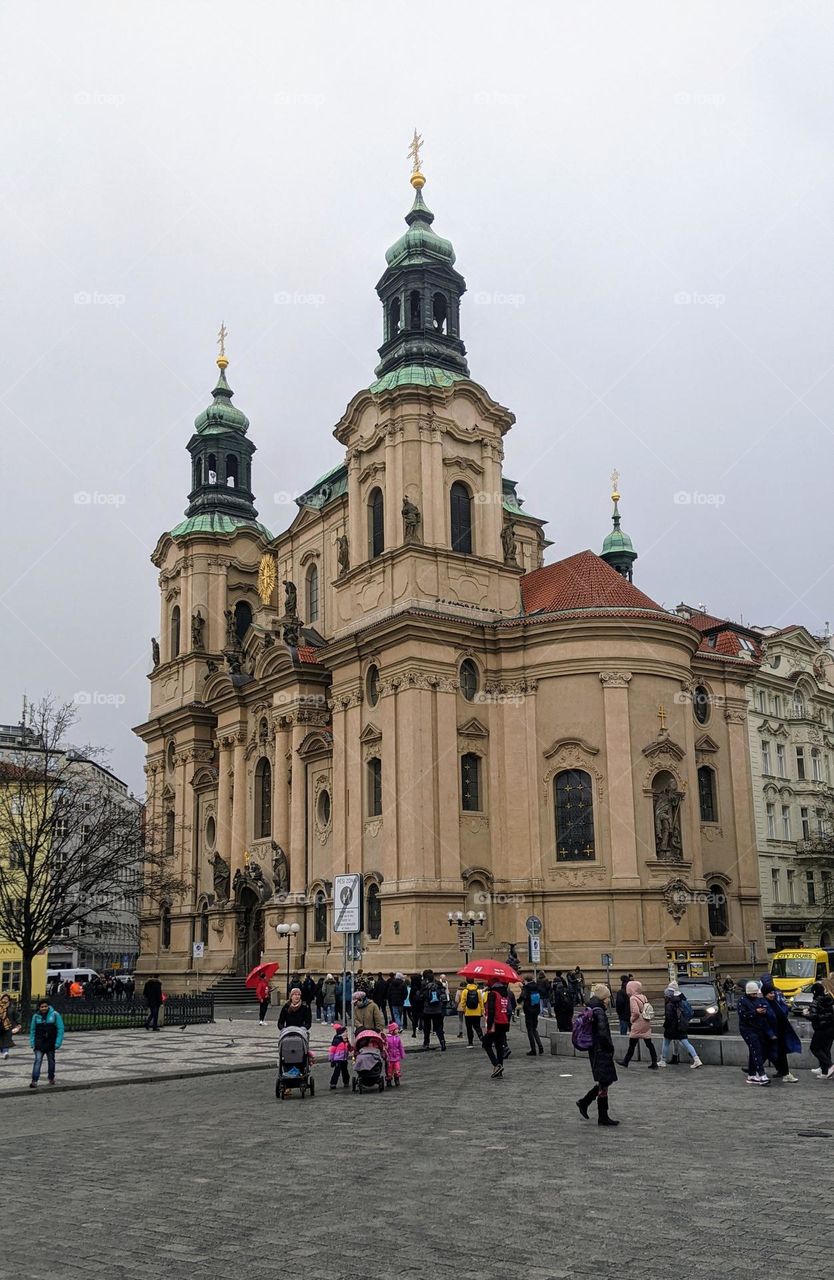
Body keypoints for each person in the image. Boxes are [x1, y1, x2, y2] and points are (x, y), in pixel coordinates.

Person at [576, 983, 620, 1126]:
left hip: (596, 1050)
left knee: (605, 1081)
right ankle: (599, 1113)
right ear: (603, 998)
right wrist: (610, 1048)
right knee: (605, 1080)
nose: (609, 1000)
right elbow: (603, 1034)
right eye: (607, 997)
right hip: (601, 1050)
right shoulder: (599, 1012)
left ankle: (587, 1103)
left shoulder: (593, 1008)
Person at [760, 975, 801, 1083]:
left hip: (780, 1032)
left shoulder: (775, 1001)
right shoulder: (764, 1004)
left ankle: (784, 1072)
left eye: (772, 993)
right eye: (770, 993)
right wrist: (770, 1033)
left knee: (778, 1053)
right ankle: (783, 1072)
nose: (772, 995)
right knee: (771, 1053)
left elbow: (783, 1011)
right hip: (773, 1034)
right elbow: (764, 1021)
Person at [659, 981, 702, 1069]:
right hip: (681, 1025)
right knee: (686, 1043)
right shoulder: (682, 999)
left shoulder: (670, 1003)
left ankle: (663, 1061)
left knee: (666, 1042)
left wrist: (665, 1025)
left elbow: (669, 1017)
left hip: (672, 1027)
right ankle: (696, 1059)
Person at [618, 979, 658, 1069]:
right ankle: (654, 1062)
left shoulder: (633, 998)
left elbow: (635, 1012)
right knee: (649, 1043)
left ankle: (625, 1061)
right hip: (646, 1021)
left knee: (632, 1043)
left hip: (638, 1023)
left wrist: (632, 1019)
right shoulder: (643, 997)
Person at [737, 980, 770, 1085]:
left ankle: (751, 1074)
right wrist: (755, 1012)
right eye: (753, 993)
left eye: (756, 993)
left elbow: (763, 1007)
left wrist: (763, 1011)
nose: (755, 995)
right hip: (747, 1028)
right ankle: (761, 1074)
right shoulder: (742, 1001)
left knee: (754, 1050)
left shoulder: (756, 1000)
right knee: (756, 1050)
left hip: (757, 1027)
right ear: (748, 992)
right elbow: (743, 1015)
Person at [29, 999, 64, 1088]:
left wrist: (58, 1043)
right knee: (37, 1061)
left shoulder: (55, 1015)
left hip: (51, 1042)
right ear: (39, 1008)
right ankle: (34, 1080)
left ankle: (51, 1078)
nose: (44, 1008)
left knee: (51, 1061)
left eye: (45, 1006)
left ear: (48, 1006)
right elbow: (32, 1030)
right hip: (39, 1042)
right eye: (42, 1007)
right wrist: (32, 1043)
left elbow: (60, 1029)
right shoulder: (36, 1016)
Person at [483, 980, 512, 1078]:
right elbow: (508, 1010)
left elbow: (491, 1011)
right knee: (499, 1047)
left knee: (486, 1044)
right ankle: (500, 1071)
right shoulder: (505, 994)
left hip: (495, 1023)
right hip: (503, 1023)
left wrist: (489, 1025)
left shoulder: (493, 994)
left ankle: (496, 1065)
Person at [807, 982, 834, 1078]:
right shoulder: (829, 1000)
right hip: (831, 1028)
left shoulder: (816, 1001)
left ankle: (830, 1066)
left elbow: (813, 1016)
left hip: (821, 1029)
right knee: (825, 1049)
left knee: (815, 1048)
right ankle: (826, 1073)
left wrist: (806, 1014)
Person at [420, 970, 447, 1050]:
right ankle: (442, 1042)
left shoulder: (424, 985)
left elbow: (421, 997)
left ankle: (426, 1043)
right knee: (438, 1027)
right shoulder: (438, 984)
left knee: (427, 1028)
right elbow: (443, 995)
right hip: (438, 1009)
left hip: (427, 1010)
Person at [521, 974, 544, 1055]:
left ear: (526, 980)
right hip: (536, 1009)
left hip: (528, 1010)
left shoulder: (526, 987)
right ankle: (540, 1046)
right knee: (534, 1029)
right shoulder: (536, 986)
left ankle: (533, 1049)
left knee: (530, 1030)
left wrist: (519, 999)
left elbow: (522, 997)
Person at [460, 979, 485, 1046]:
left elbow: (463, 1002)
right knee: (477, 1027)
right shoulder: (478, 991)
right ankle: (482, 1039)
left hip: (468, 1013)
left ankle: (470, 1042)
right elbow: (481, 1001)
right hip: (477, 1012)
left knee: (469, 1028)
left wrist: (464, 1009)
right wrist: (482, 1010)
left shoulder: (465, 991)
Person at [328, 1023, 350, 1089]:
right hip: (338, 1059)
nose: (347, 1033)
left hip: (344, 1059)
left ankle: (346, 1082)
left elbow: (349, 1047)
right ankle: (333, 1083)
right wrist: (331, 1060)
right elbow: (332, 1051)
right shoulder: (337, 1040)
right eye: (345, 1032)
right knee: (336, 1072)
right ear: (341, 1033)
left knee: (345, 1071)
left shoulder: (346, 1040)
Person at [0, 994, 21, 1062]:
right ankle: (2, 1052)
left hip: (8, 1027)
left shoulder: (11, 1008)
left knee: (7, 1040)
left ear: (9, 1000)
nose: (5, 1000)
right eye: (4, 998)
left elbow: (16, 1017)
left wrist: (18, 1024)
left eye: (6, 999)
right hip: (0, 1027)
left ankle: (5, 1053)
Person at [385, 1021, 405, 1087]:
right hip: (389, 1057)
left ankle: (397, 1079)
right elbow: (386, 1048)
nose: (398, 1030)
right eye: (396, 1029)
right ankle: (389, 1080)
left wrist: (402, 1054)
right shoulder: (387, 1038)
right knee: (389, 1070)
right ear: (392, 1030)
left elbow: (400, 1047)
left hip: (396, 1057)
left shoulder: (398, 1038)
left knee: (397, 1069)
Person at [408, 973, 423, 1038]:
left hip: (414, 1006)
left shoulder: (413, 988)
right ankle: (421, 1028)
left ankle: (414, 1032)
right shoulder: (422, 986)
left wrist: (412, 1004)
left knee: (415, 1020)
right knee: (422, 1018)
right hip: (421, 1005)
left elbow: (410, 997)